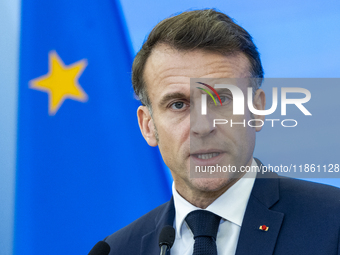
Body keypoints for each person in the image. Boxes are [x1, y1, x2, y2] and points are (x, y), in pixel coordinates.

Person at [103, 9, 340, 254]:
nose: (203, 127)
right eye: (178, 104)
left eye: (222, 99)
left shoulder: (333, 222)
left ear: (257, 110)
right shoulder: (117, 249)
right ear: (148, 126)